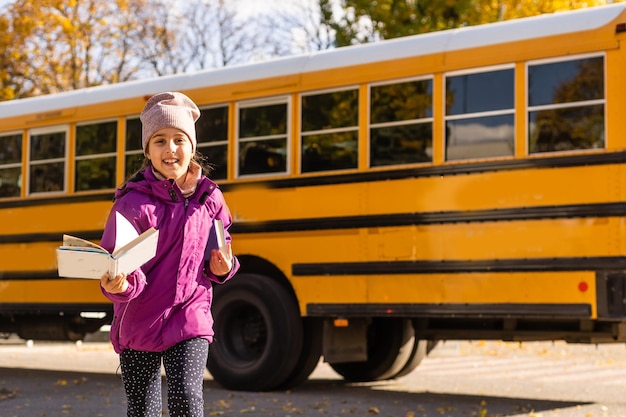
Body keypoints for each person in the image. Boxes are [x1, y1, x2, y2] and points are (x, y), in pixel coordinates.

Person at [99, 91, 239, 417]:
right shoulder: (131, 205)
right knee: (143, 410)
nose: (170, 148)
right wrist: (119, 285)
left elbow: (221, 252)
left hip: (190, 317)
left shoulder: (210, 199)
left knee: (188, 403)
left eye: (179, 139)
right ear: (147, 150)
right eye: (160, 140)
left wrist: (223, 267)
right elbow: (115, 264)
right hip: (138, 322)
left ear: (192, 147)